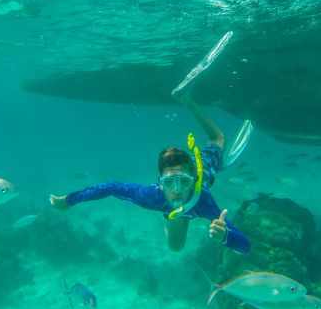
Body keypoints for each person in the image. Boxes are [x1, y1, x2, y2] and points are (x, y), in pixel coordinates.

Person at [50, 95, 250, 254]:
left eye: (183, 181)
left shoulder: (203, 200)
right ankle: (170, 218)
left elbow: (246, 246)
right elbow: (110, 186)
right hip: (174, 208)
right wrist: (69, 200)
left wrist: (225, 237)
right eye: (170, 182)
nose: (178, 189)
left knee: (218, 138)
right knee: (175, 247)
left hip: (206, 167)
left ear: (194, 180)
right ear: (160, 184)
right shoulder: (152, 196)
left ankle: (189, 102)